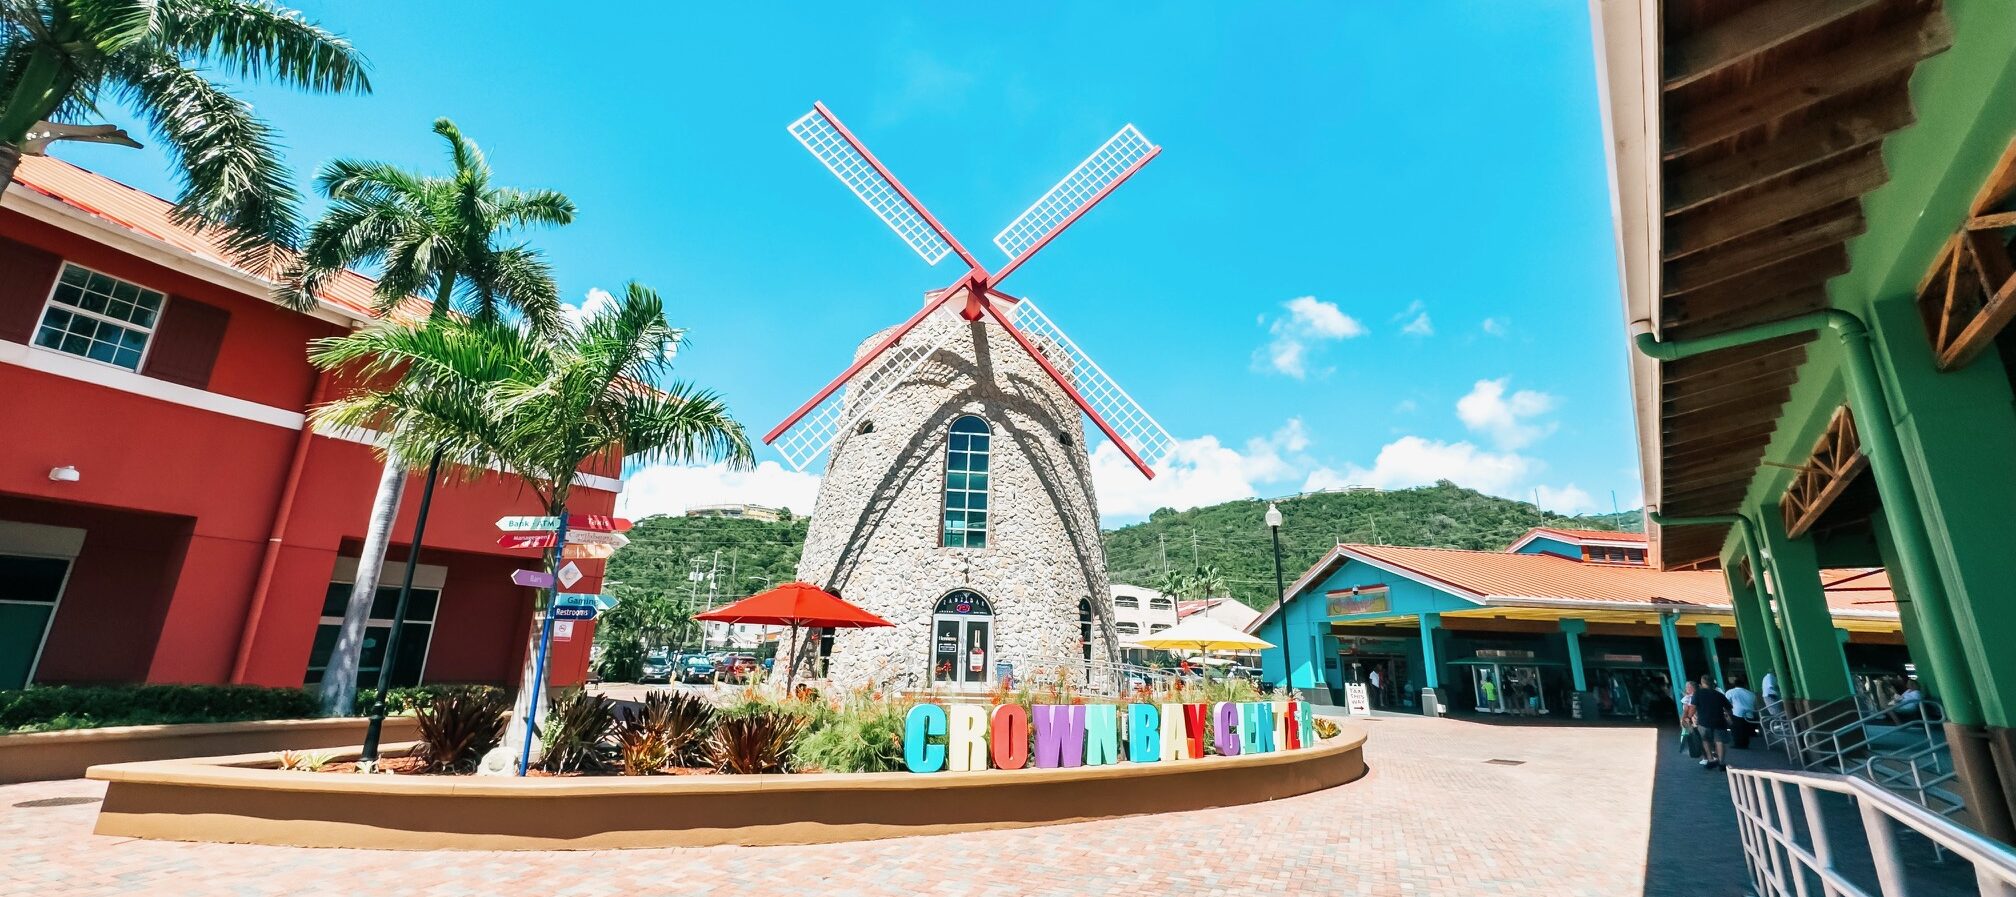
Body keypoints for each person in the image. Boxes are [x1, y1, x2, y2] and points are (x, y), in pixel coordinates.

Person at [1692, 675, 1734, 770]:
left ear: (1702, 683)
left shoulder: (1698, 694)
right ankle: (1721, 762)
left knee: (1705, 740)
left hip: (1703, 722)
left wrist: (1689, 717)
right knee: (1720, 742)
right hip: (1719, 722)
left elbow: (1693, 707)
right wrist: (1729, 718)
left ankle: (1710, 759)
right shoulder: (1719, 695)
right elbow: (1729, 709)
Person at [1725, 676, 1758, 748]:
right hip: (1750, 715)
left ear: (1734, 685)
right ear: (1744, 685)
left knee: (1736, 730)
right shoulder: (1751, 694)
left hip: (1737, 714)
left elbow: (1726, 703)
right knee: (1745, 731)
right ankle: (1745, 744)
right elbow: (1755, 705)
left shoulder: (1730, 692)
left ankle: (1738, 744)